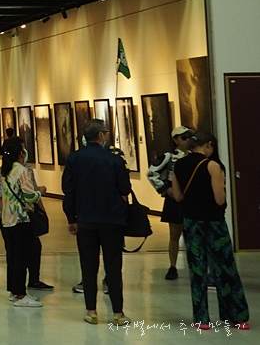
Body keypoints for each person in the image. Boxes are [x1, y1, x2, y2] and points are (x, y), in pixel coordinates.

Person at [169, 132, 250, 330]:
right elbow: (219, 199)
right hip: (213, 222)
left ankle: (201, 318)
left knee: (197, 270)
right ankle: (235, 316)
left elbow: (178, 196)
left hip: (190, 222)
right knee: (225, 268)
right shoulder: (212, 165)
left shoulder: (178, 165)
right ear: (208, 145)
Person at [63, 119, 131, 326]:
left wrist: (71, 218)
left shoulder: (74, 159)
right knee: (113, 266)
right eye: (106, 132)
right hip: (112, 219)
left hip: (85, 220)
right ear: (101, 135)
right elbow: (125, 188)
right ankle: (118, 313)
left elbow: (68, 190)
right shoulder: (114, 159)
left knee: (88, 265)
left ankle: (91, 311)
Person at [0, 140, 44, 307]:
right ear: (20, 153)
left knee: (13, 256)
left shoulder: (5, 171)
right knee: (22, 258)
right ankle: (20, 294)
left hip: (8, 218)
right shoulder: (21, 171)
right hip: (22, 219)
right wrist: (40, 192)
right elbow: (29, 196)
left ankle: (13, 290)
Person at [147, 125, 192, 280]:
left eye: (189, 137)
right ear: (175, 140)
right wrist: (165, 188)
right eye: (183, 137)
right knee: (174, 233)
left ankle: (196, 265)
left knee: (193, 234)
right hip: (174, 200)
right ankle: (173, 266)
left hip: (191, 198)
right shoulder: (169, 157)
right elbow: (151, 173)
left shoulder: (196, 156)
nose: (186, 140)